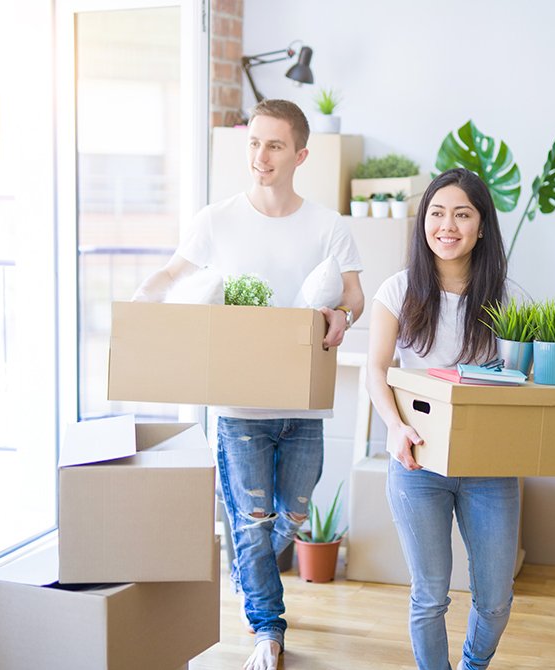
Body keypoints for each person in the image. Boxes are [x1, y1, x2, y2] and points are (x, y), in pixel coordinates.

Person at [132, 99, 364, 670]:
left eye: (275, 145)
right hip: (238, 407)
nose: (260, 156)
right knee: (253, 522)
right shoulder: (216, 220)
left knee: (295, 515)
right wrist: (145, 298)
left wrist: (342, 315)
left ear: (301, 154)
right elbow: (174, 272)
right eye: (254, 143)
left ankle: (247, 571)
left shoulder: (328, 226)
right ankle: (268, 627)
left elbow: (353, 295)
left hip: (304, 406)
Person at [366, 168, 521, 670]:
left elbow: (518, 383)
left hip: (488, 468)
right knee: (430, 595)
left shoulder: (505, 299)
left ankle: (474, 665)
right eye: (436, 213)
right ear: (423, 222)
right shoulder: (399, 289)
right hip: (417, 463)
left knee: (495, 598)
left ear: (481, 226)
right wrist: (394, 426)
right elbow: (376, 367)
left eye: (462, 214)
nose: (447, 225)